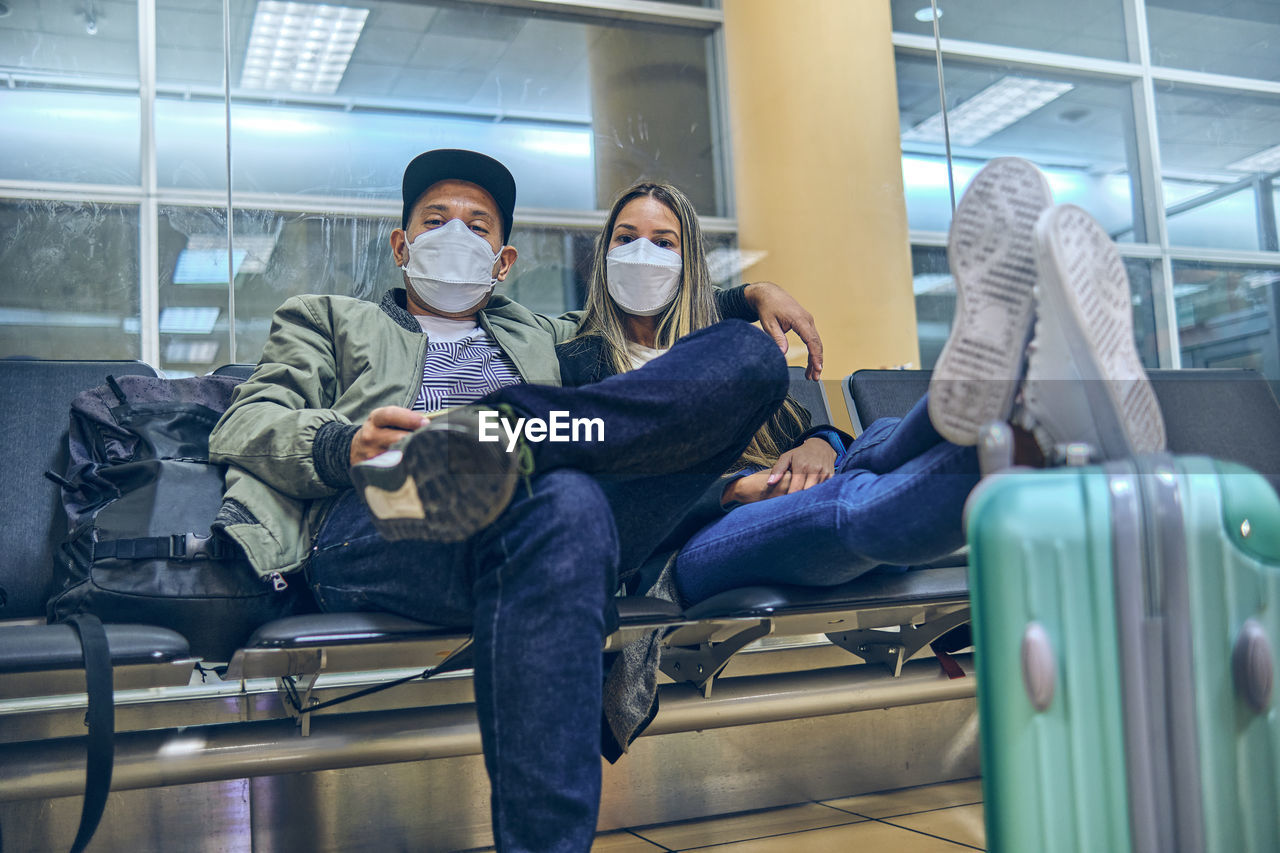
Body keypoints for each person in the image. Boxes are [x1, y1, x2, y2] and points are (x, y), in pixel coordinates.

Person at [208, 148, 823, 852]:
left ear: (502, 263)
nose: (455, 235)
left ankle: (507, 429)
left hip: (532, 502)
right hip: (385, 512)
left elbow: (659, 334)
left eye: (477, 225)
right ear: (401, 246)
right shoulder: (325, 317)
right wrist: (342, 443)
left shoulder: (545, 333)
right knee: (565, 489)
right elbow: (243, 424)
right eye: (436, 220)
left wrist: (750, 298)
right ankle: (499, 436)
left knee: (740, 365)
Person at [555, 159, 1166, 607]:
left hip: (792, 484)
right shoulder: (578, 361)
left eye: (664, 243)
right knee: (845, 506)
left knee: (878, 442)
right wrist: (731, 490)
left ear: (689, 265)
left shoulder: (720, 349)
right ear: (601, 253)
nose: (644, 256)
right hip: (681, 547)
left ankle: (1020, 399)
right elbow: (601, 493)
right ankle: (1032, 430)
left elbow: (803, 424)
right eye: (626, 239)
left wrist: (818, 444)